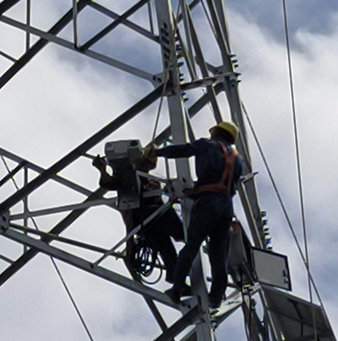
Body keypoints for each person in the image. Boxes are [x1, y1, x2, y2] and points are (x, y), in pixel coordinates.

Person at [151, 121, 243, 308]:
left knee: (192, 244)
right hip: (226, 207)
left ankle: (177, 289)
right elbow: (222, 186)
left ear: (216, 132)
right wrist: (190, 194)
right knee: (218, 255)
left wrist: (157, 152)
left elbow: (183, 151)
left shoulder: (206, 145)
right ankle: (216, 297)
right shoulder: (237, 160)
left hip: (208, 204)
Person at [93, 151, 183, 281]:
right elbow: (107, 183)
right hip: (141, 219)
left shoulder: (153, 182)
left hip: (153, 220)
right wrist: (102, 170)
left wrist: (170, 203)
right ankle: (181, 234)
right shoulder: (129, 177)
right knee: (168, 226)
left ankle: (176, 279)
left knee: (165, 245)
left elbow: (159, 202)